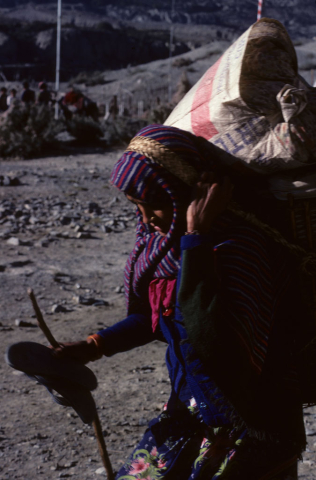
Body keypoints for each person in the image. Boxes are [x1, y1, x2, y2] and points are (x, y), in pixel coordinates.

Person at [53, 124, 307, 479]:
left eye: (155, 204)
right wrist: (95, 345)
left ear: (191, 192)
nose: (146, 219)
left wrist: (196, 237)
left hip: (253, 428)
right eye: (136, 206)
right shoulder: (169, 251)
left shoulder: (238, 250)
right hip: (190, 414)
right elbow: (154, 317)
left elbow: (212, 343)